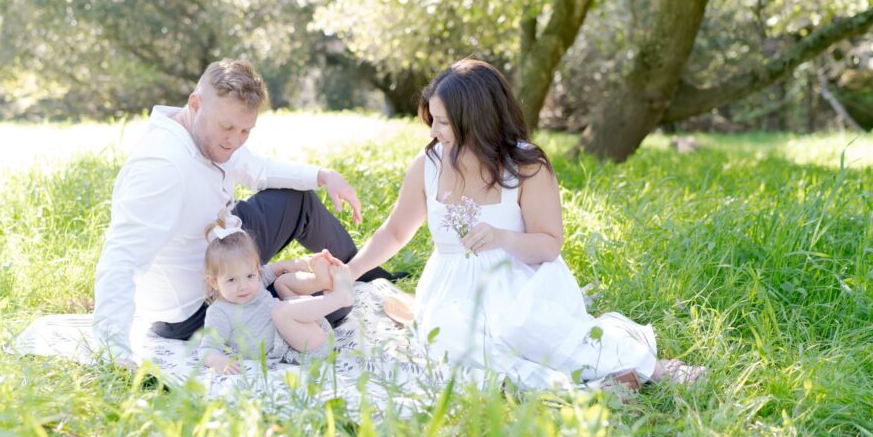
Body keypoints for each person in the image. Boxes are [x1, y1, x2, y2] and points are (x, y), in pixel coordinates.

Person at [346, 59, 705, 390]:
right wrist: (351, 272)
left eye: (442, 122)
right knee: (460, 348)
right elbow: (395, 232)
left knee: (529, 332)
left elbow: (549, 244)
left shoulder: (526, 166)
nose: (434, 132)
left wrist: (502, 237)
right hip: (451, 292)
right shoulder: (429, 164)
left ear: (476, 117)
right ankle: (579, 391)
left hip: (518, 282)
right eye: (432, 121)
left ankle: (653, 368)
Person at [94, 59, 383, 367]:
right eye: (227, 127)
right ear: (195, 104)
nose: (235, 140)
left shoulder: (209, 135)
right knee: (331, 311)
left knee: (297, 199)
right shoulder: (162, 167)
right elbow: (121, 258)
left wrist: (323, 175)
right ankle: (340, 289)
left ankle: (358, 272)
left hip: (226, 245)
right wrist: (114, 352)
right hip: (200, 306)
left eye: (246, 130)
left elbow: (258, 169)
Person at [197, 213, 353, 374]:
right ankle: (338, 298)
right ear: (214, 282)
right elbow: (207, 349)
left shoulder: (255, 285)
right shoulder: (219, 313)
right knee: (280, 311)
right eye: (231, 280)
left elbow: (268, 272)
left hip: (304, 329)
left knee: (280, 283)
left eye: (250, 276)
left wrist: (284, 265)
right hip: (302, 349)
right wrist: (219, 361)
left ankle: (318, 282)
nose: (243, 286)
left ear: (256, 271)